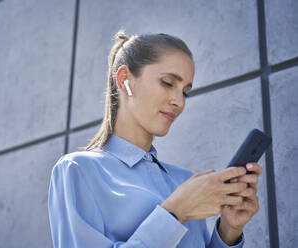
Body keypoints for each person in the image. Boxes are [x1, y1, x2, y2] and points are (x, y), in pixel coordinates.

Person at [48, 29, 263, 248]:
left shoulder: (184, 181)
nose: (179, 102)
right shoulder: (78, 169)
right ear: (124, 80)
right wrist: (176, 211)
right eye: (168, 83)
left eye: (185, 91)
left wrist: (229, 231)